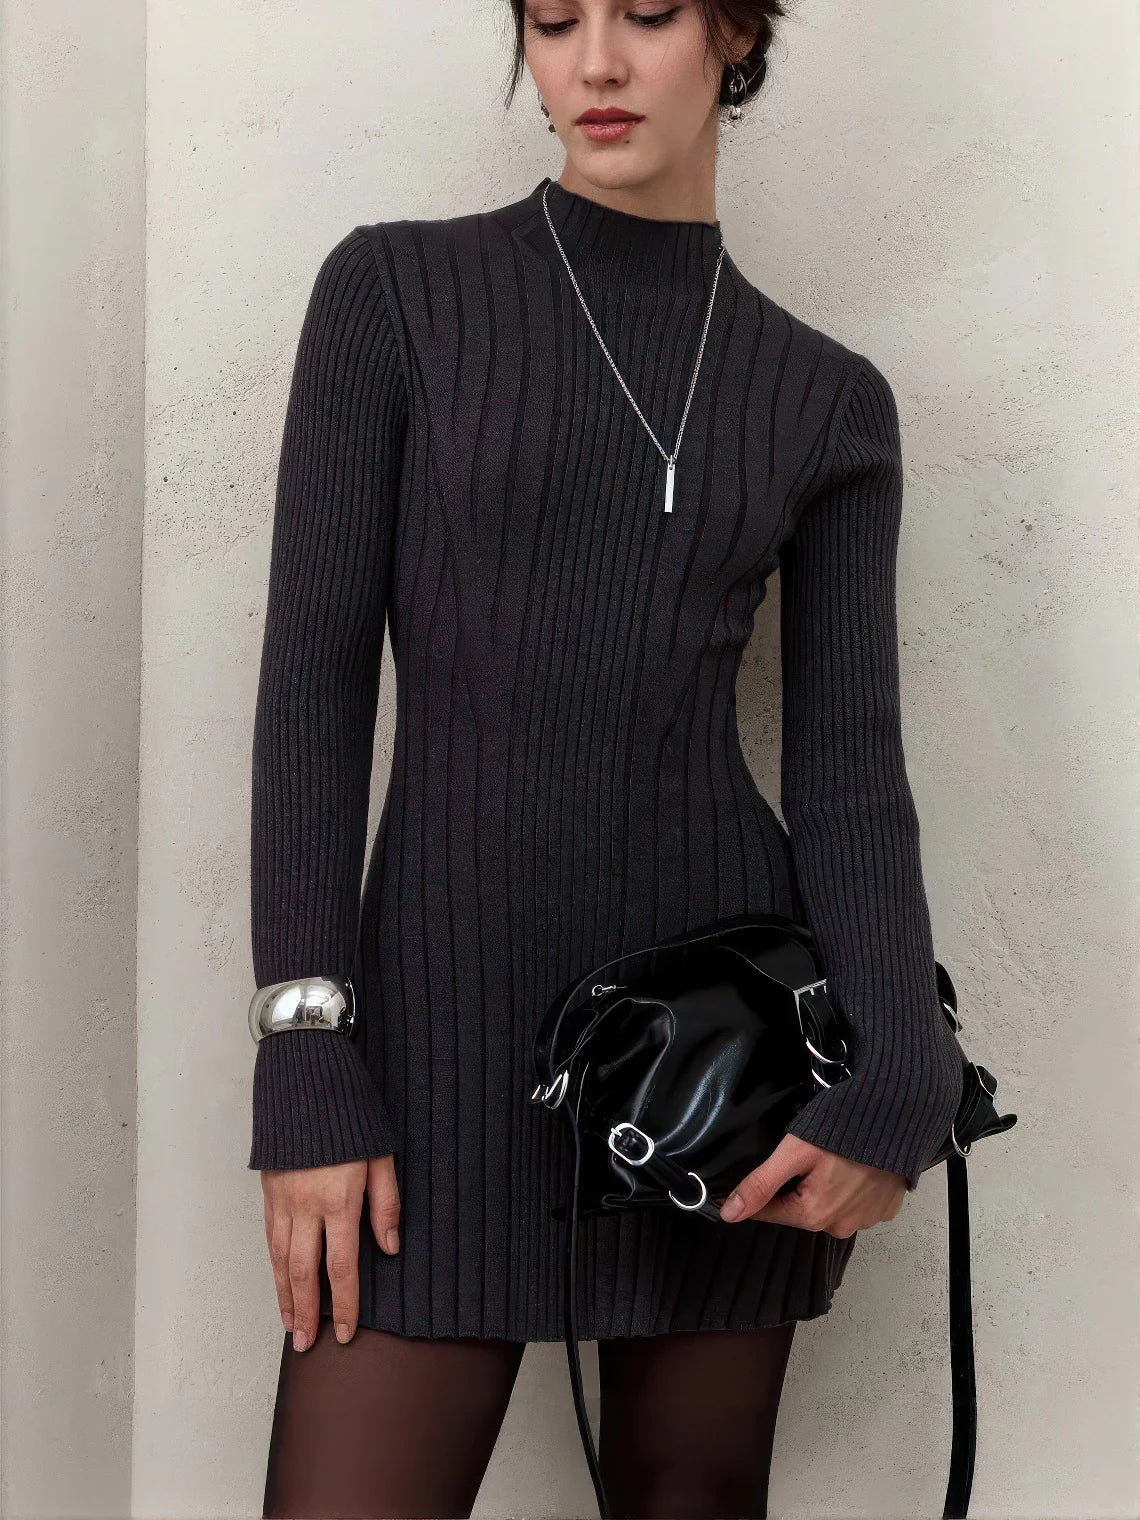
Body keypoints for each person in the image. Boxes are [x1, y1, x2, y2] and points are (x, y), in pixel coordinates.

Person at [245, 2, 965, 1516]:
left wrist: (898, 1075)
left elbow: (847, 771)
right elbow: (313, 686)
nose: (596, 63)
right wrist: (307, 1055)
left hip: (713, 1071)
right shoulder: (395, 292)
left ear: (737, 42)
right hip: (432, 1051)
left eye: (646, 14)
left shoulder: (827, 397)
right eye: (554, 18)